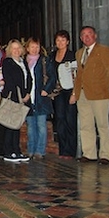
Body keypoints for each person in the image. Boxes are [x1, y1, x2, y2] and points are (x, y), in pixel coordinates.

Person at [71, 26, 109, 164]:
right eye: (83, 35)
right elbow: (79, 74)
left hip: (100, 94)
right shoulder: (79, 53)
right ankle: (89, 153)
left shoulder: (103, 50)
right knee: (86, 125)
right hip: (83, 94)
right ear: (80, 38)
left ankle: (105, 155)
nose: (86, 37)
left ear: (95, 36)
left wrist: (105, 86)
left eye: (89, 34)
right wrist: (75, 92)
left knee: (102, 125)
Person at [47, 30, 78, 159]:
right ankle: (63, 149)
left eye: (63, 40)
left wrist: (75, 93)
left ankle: (70, 151)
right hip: (58, 93)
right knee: (60, 120)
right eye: (58, 40)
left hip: (70, 91)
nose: (60, 42)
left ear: (68, 42)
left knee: (70, 120)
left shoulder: (72, 55)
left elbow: (76, 75)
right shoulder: (52, 56)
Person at [1, 39, 32, 162]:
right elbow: (10, 80)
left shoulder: (23, 62)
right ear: (9, 50)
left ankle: (17, 150)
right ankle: (8, 151)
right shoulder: (8, 62)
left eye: (18, 48)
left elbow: (29, 78)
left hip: (23, 97)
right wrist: (21, 94)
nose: (16, 50)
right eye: (13, 48)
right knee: (10, 125)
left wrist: (28, 93)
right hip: (13, 97)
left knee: (17, 125)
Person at [25, 37, 54, 159]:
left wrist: (46, 90)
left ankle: (40, 151)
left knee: (41, 126)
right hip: (28, 99)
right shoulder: (23, 62)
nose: (35, 49)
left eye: (37, 47)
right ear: (27, 48)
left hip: (41, 99)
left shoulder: (44, 61)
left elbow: (52, 77)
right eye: (32, 47)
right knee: (31, 127)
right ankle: (31, 149)